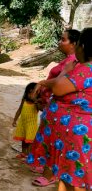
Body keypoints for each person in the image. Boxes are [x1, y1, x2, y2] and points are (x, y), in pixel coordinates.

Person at [27, 27, 92, 191]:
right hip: (71, 137)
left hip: (76, 138)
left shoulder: (85, 70)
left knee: (75, 181)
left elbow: (58, 88)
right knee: (66, 177)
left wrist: (65, 71)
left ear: (82, 47)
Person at [12, 82, 39, 158]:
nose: (31, 95)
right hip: (22, 123)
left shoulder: (37, 103)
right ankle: (23, 153)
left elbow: (42, 109)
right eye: (29, 93)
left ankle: (29, 156)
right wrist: (15, 120)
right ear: (26, 92)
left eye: (33, 93)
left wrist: (37, 102)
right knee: (23, 140)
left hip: (31, 124)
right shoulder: (24, 100)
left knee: (29, 141)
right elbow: (19, 110)